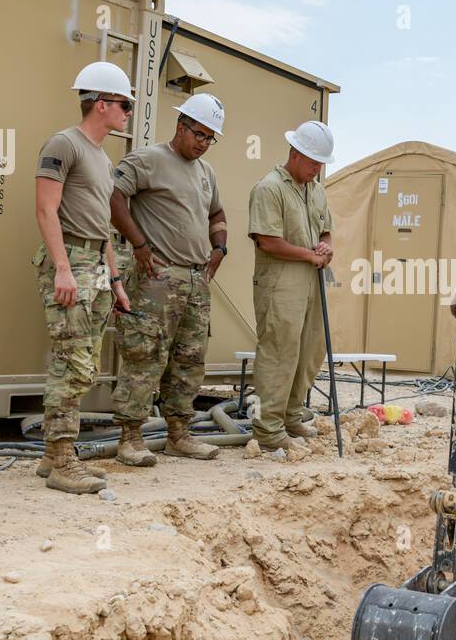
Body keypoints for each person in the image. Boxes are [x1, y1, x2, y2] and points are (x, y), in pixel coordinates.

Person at [108, 94, 228, 465]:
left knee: (189, 361)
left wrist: (220, 248)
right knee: (145, 356)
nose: (204, 143)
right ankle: (131, 437)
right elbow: (113, 196)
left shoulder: (206, 173)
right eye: (200, 134)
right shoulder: (149, 160)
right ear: (181, 126)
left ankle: (180, 434)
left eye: (211, 138)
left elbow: (217, 213)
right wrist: (139, 244)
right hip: (157, 278)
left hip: (195, 281)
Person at [32, 62, 132, 494]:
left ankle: (53, 456)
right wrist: (62, 268)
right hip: (71, 260)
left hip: (93, 263)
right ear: (103, 103)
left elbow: (102, 224)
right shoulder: (63, 144)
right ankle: (63, 460)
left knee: (83, 364)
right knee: (71, 365)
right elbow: (45, 209)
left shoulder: (101, 155)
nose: (128, 111)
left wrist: (115, 279)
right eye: (124, 104)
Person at [247, 121, 335, 451]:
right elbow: (267, 241)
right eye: (314, 162)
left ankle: (291, 414)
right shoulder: (269, 188)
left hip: (313, 281)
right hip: (281, 282)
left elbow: (326, 230)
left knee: (311, 349)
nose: (318, 168)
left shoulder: (316, 190)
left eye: (321, 163)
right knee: (279, 351)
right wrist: (309, 256)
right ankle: (268, 428)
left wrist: (325, 247)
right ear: (295, 154)